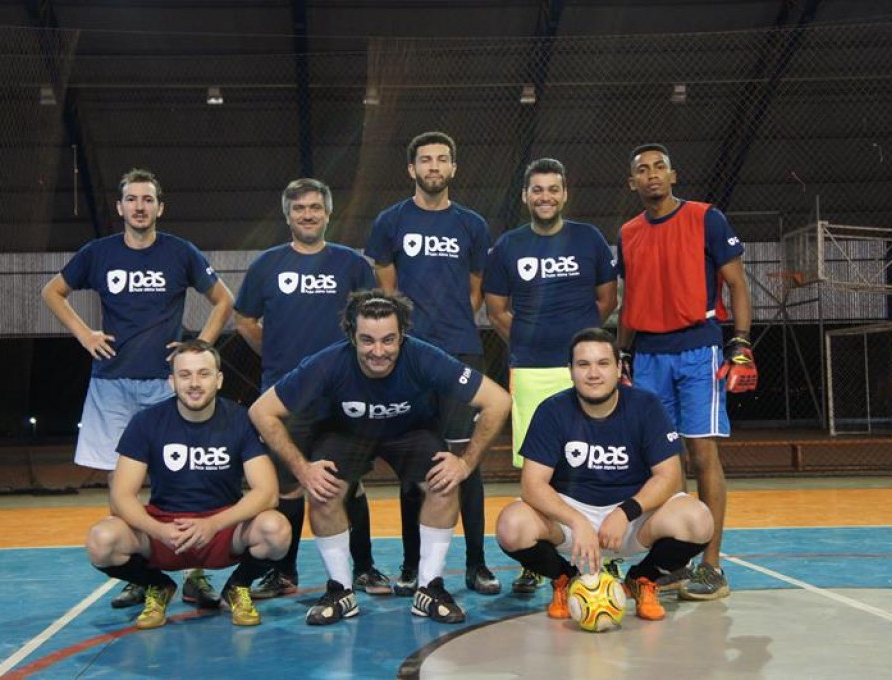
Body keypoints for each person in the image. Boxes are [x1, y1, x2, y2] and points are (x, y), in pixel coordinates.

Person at [249, 289, 511, 625]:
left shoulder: (424, 357)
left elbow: (498, 401)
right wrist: (302, 469)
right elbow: (262, 411)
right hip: (346, 433)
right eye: (367, 340)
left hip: (410, 432)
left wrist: (465, 462)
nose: (378, 351)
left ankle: (429, 587)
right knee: (324, 487)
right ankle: (340, 590)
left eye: (388, 340)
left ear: (402, 335)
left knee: (443, 482)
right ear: (351, 336)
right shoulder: (328, 363)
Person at [42, 168, 235, 610]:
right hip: (112, 382)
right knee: (119, 480)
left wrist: (200, 345)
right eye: (132, 199)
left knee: (185, 474)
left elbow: (224, 300)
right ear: (120, 207)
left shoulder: (180, 252)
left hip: (166, 384)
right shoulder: (99, 253)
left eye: (148, 200)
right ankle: (141, 576)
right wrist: (84, 334)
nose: (140, 207)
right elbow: (52, 292)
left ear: (159, 207)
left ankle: (195, 573)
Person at [233, 178, 390, 600]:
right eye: (299, 208)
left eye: (315, 207)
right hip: (285, 398)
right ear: (288, 215)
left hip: (344, 397)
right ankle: (283, 573)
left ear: (327, 213)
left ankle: (366, 568)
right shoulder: (266, 265)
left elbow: (373, 322)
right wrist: (278, 356)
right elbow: (244, 319)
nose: (308, 214)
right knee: (288, 487)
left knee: (347, 486)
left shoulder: (352, 265)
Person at [495, 328, 714, 622]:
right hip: (570, 519)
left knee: (698, 519)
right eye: (583, 364)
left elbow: (669, 476)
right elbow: (532, 485)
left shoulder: (645, 406)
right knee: (511, 524)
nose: (593, 373)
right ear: (570, 371)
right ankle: (566, 579)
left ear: (619, 368)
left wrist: (625, 512)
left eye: (602, 363)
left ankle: (643, 580)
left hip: (631, 520)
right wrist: (576, 520)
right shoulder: (552, 411)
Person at [617, 143, 756, 600]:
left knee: (702, 456)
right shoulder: (628, 232)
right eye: (643, 170)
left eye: (660, 167)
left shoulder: (706, 217)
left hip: (699, 349)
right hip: (649, 354)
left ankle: (710, 565)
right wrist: (621, 353)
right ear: (633, 182)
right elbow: (628, 301)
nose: (652, 175)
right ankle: (673, 562)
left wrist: (740, 342)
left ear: (673, 176)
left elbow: (737, 283)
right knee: (663, 464)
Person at [366, 131, 500, 597]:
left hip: (461, 350)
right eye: (426, 160)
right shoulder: (390, 221)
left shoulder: (472, 224)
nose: (434, 167)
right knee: (413, 462)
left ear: (453, 168)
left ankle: (477, 564)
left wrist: (451, 325)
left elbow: (476, 288)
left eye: (443, 159)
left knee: (467, 460)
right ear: (412, 168)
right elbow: (386, 289)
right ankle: (411, 563)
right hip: (410, 359)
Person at [85, 339, 291, 629]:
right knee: (101, 540)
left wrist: (214, 525)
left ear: (219, 380)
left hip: (222, 530)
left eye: (204, 374)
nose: (194, 383)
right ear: (172, 382)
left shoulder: (241, 420)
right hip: (164, 530)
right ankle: (158, 586)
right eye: (185, 375)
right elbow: (122, 495)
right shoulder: (146, 422)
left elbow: (267, 493)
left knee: (276, 529)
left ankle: (237, 586)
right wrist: (159, 530)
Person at [482, 157, 618, 593]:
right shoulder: (507, 246)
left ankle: (606, 555)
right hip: (531, 372)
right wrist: (527, 340)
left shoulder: (588, 239)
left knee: (591, 462)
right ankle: (536, 558)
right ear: (525, 196)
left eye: (553, 189)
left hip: (582, 372)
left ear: (564, 194)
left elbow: (606, 301)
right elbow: (497, 310)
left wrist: (579, 353)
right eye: (537, 190)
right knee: (536, 468)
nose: (545, 197)